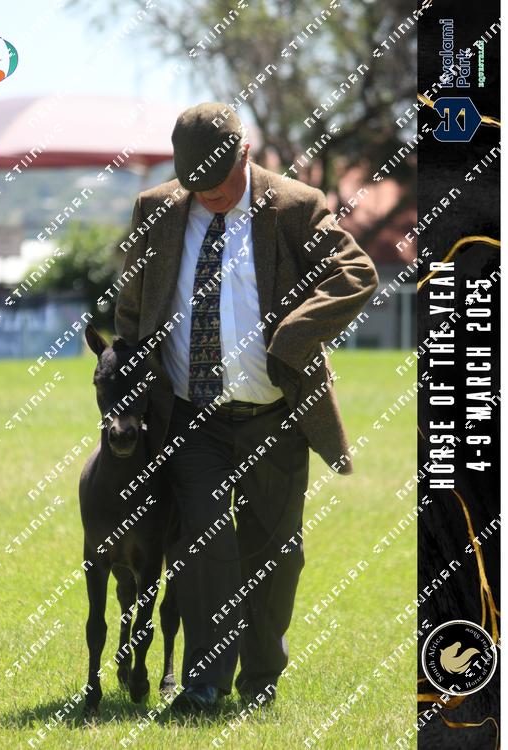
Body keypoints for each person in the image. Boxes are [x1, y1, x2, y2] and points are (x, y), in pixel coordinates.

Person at [114, 102, 378, 714]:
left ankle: (260, 681)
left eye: (218, 182)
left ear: (246, 154)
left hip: (275, 416)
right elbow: (132, 308)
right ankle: (204, 685)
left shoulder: (295, 206)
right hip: (189, 417)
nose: (207, 196)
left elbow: (356, 272)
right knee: (203, 549)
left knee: (276, 555)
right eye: (195, 185)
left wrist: (294, 335)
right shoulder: (156, 210)